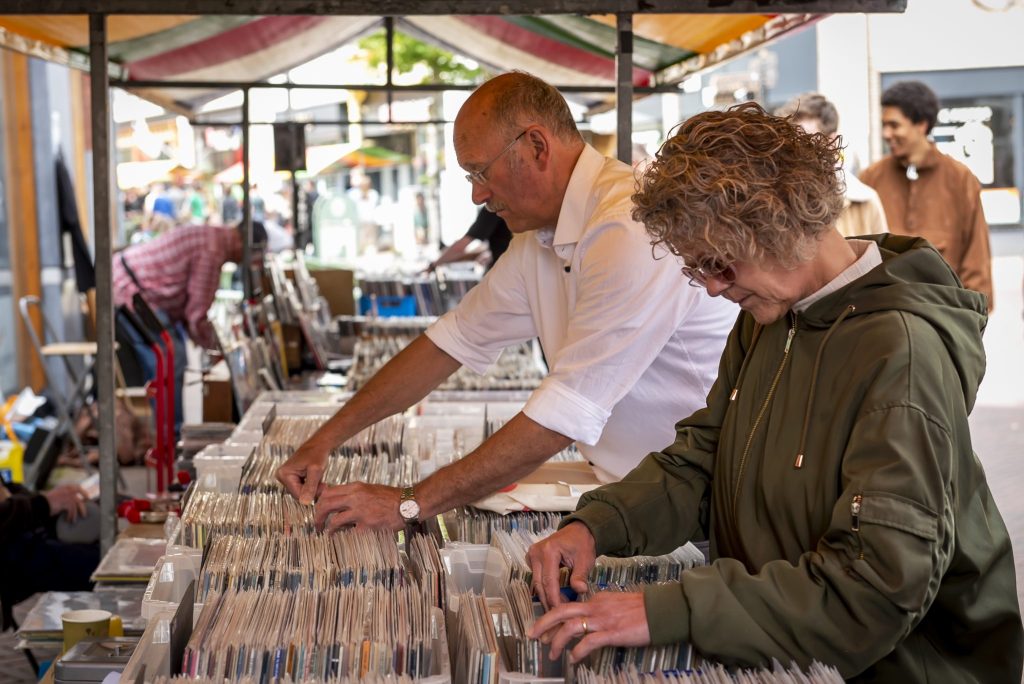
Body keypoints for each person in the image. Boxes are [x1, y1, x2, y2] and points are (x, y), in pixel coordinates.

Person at [526, 102, 1022, 682]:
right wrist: (597, 524)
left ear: (778, 222)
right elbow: (703, 460)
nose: (711, 289)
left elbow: (878, 586)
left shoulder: (899, 353)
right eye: (696, 269)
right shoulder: (772, 316)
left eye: (718, 263)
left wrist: (668, 610)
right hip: (788, 653)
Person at [276, 71, 736, 529]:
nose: (478, 193)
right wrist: (325, 440)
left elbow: (564, 414)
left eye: (480, 171)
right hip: (643, 492)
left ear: (537, 146)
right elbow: (449, 342)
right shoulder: (541, 237)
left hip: (705, 508)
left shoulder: (626, 227)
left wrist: (408, 503)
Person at [112, 221, 267, 431]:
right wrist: (215, 351)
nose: (243, 263)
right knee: (170, 358)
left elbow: (192, 313)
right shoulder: (213, 250)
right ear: (242, 245)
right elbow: (196, 316)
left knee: (171, 357)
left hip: (136, 286)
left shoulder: (214, 239)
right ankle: (172, 438)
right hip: (132, 289)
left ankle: (171, 435)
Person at [860, 81, 994, 311]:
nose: (886, 134)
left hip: (945, 315)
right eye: (884, 126)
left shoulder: (960, 179)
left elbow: (976, 259)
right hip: (884, 320)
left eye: (894, 125)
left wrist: (970, 320)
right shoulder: (872, 179)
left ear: (921, 124)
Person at [775, 93, 889, 238]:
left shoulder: (866, 202)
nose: (796, 151)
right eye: (789, 142)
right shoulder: (773, 203)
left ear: (832, 142)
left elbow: (884, 259)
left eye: (806, 141)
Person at [0, 482, 98, 610]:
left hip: (21, 531)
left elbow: (7, 492)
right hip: (13, 552)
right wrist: (43, 503)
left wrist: (50, 499)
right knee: (99, 567)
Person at [426, 208, 512, 272]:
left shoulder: (494, 209)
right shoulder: (505, 207)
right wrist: (489, 253)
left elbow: (460, 247)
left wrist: (433, 266)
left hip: (506, 271)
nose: (475, 198)